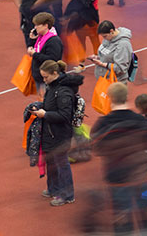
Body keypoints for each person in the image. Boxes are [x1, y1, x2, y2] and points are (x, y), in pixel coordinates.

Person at [90, 82, 147, 232]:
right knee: (144, 214)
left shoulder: (103, 123)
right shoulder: (140, 120)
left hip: (117, 177)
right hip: (139, 174)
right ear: (126, 97)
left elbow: (97, 148)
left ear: (110, 99)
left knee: (121, 218)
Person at [33, 60, 82, 206]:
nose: (44, 80)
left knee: (62, 164)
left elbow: (65, 115)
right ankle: (53, 188)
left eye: (46, 77)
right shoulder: (52, 86)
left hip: (60, 134)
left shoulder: (63, 91)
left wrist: (45, 114)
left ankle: (67, 195)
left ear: (55, 73)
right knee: (51, 161)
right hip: (50, 132)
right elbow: (50, 105)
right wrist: (40, 107)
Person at [27, 12, 63, 94]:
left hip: (47, 77)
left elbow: (52, 59)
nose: (35, 28)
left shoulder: (53, 41)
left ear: (46, 25)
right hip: (40, 75)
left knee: (46, 100)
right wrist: (31, 41)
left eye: (37, 25)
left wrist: (34, 54)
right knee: (41, 98)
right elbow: (36, 48)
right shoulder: (41, 37)